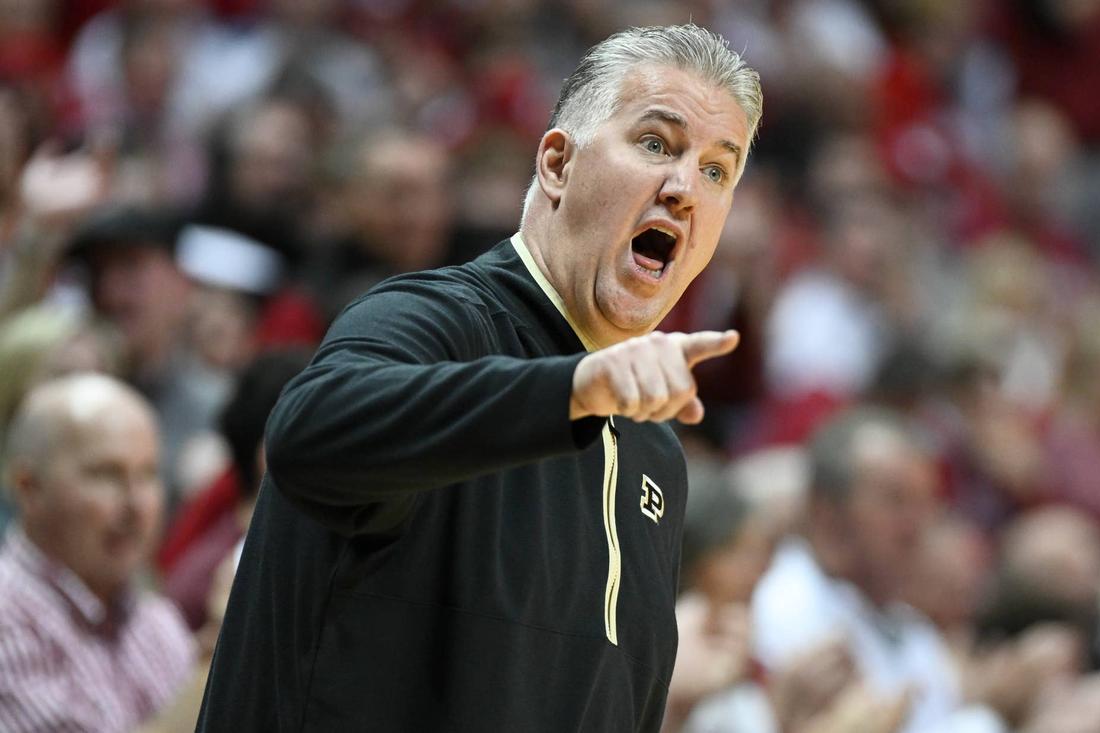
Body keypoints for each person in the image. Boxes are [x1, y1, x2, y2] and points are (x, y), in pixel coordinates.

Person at [196, 23, 762, 732]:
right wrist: (572, 390)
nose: (684, 188)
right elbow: (308, 432)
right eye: (656, 143)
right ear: (557, 163)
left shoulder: (656, 453)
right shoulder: (433, 319)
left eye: (718, 170)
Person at [752, 406, 1005, 733]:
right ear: (828, 514)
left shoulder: (913, 627)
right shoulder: (782, 609)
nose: (917, 526)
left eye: (926, 503)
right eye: (896, 501)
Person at [0, 373, 207, 732]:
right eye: (106, 474)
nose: (136, 503)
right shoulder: (9, 622)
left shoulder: (158, 622)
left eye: (148, 474)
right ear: (29, 488)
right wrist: (213, 675)